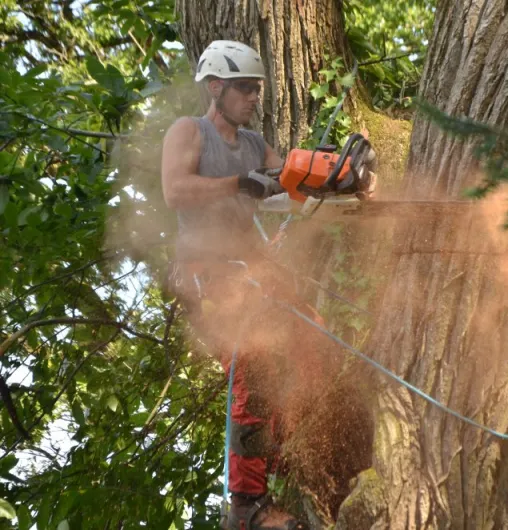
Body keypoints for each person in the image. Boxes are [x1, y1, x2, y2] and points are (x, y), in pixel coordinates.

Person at [161, 40, 312, 530]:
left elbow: (291, 180)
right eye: (245, 89)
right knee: (250, 362)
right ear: (216, 87)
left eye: (257, 90)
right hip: (207, 272)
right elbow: (175, 189)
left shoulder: (253, 144)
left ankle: (289, 456)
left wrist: (332, 175)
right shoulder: (192, 131)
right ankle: (246, 505)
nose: (253, 98)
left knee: (311, 337)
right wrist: (238, 184)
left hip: (251, 272)